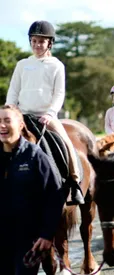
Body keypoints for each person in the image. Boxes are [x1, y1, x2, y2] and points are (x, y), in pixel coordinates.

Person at [6, 20, 84, 205]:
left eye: (41, 41)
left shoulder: (56, 65)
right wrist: (10, 110)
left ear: (49, 43)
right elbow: (13, 91)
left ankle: (74, 183)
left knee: (66, 143)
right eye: (34, 41)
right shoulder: (22, 64)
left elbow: (59, 93)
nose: (37, 45)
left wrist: (50, 113)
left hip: (46, 116)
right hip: (22, 115)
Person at [0, 105, 65, 275]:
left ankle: (75, 177)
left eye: (7, 120)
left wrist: (46, 234)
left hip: (27, 241)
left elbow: (54, 196)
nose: (2, 125)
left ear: (20, 125)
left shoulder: (35, 156)